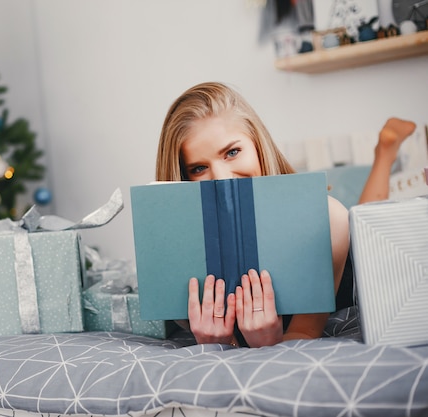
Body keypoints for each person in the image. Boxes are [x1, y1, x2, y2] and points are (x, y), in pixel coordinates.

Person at [155, 81, 417, 348]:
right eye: (199, 168)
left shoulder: (327, 218)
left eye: (232, 152)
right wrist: (219, 344)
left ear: (258, 145)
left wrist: (266, 344)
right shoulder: (174, 255)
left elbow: (303, 333)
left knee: (362, 222)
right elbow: (222, 347)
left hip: (337, 237)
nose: (222, 180)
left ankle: (385, 153)